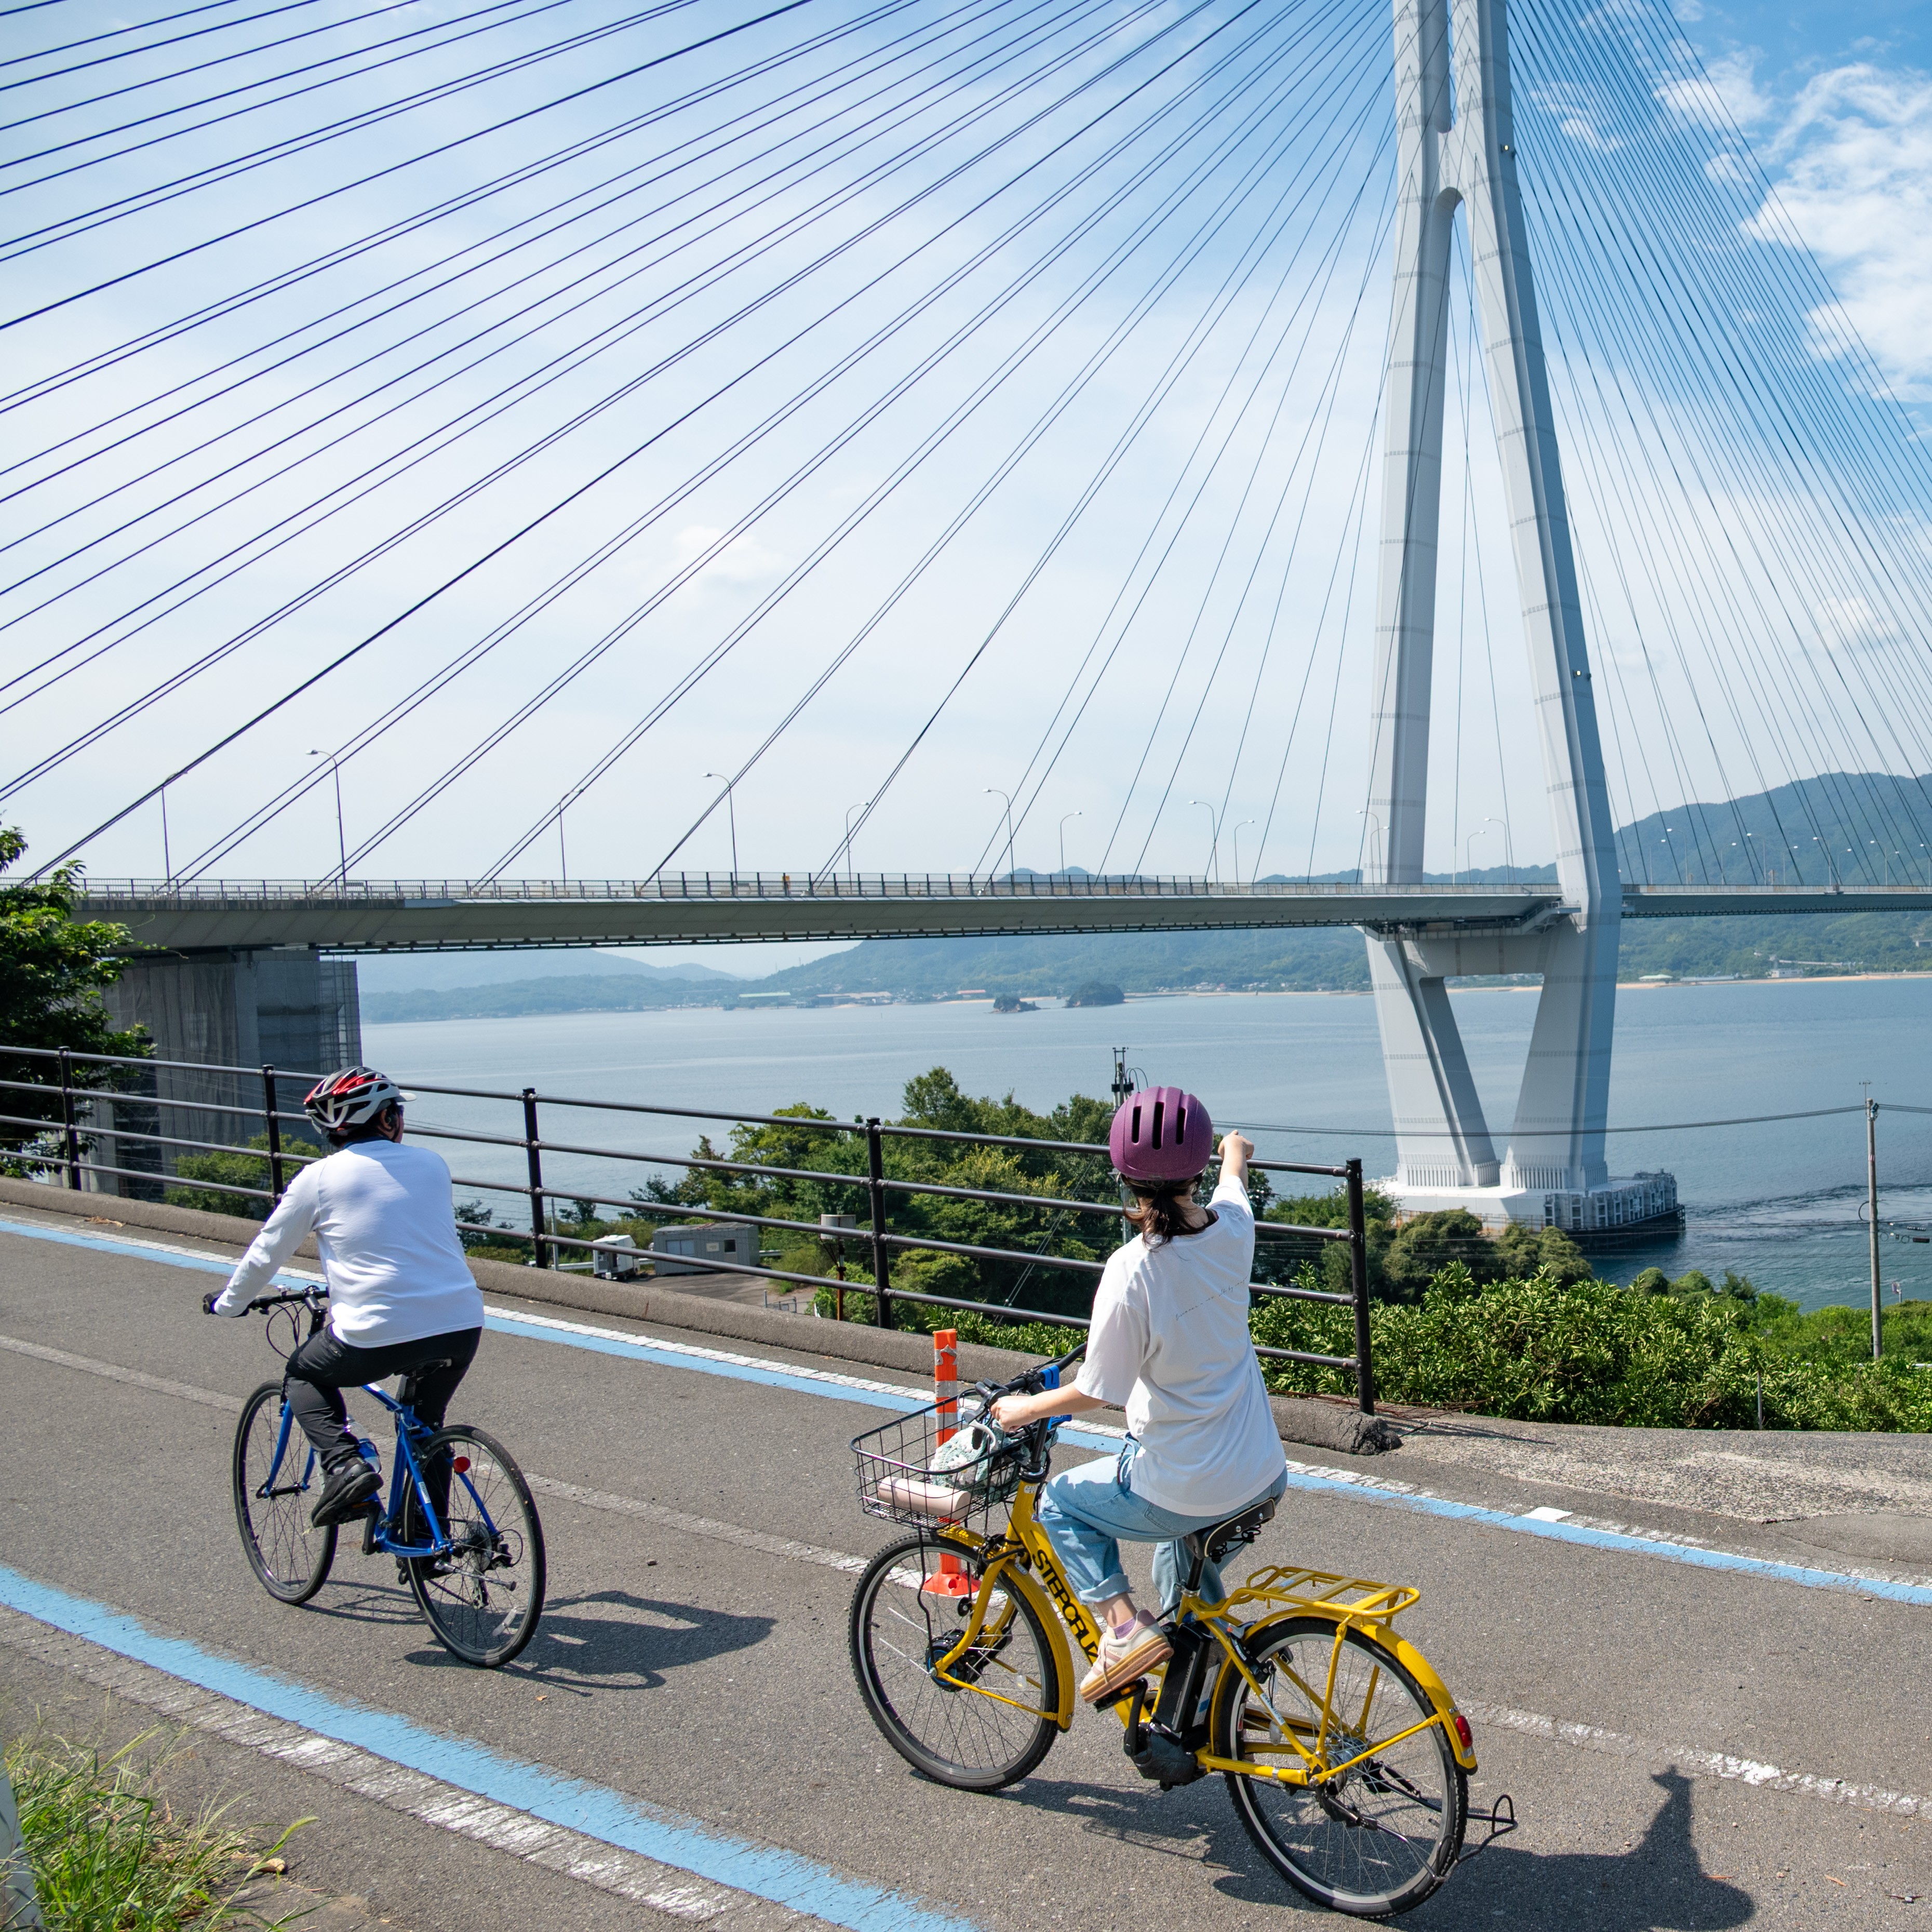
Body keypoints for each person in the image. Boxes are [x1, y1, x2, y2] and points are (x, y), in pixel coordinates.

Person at [992, 1086, 1287, 1704]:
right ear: (1198, 1166)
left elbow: (1097, 1392)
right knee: (1179, 1579)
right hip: (1261, 1472)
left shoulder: (1133, 1269)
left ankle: (1123, 1631)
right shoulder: (1234, 1229)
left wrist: (1022, 1409)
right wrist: (1235, 1153)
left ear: (1124, 1173)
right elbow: (1233, 1181)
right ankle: (1212, 1702)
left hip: (1182, 1486)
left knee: (1059, 1506)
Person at [204, 1066, 485, 1529]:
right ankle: (427, 1546)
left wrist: (228, 1303)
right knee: (424, 1426)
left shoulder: (318, 1178)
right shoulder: (433, 1164)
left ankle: (344, 1465)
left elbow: (265, 1255)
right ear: (388, 1120)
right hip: (460, 1322)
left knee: (302, 1373)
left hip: (377, 1330)